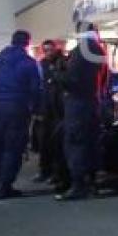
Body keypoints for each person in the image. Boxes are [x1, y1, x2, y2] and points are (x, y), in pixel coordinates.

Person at [0, 30, 41, 199]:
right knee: (12, 147)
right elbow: (35, 88)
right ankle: (4, 186)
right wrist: (35, 108)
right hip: (17, 107)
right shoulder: (29, 62)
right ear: (27, 43)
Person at [55, 22, 109, 201]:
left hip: (78, 103)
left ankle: (78, 185)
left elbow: (73, 80)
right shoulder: (99, 50)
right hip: (93, 102)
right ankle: (92, 182)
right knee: (90, 143)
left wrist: (58, 75)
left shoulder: (81, 51)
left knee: (75, 143)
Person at [37, 40, 69, 191]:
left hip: (59, 110)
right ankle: (44, 170)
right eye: (46, 50)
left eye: (50, 50)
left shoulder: (62, 62)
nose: (48, 53)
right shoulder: (42, 64)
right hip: (46, 109)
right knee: (44, 142)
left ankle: (56, 174)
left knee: (57, 144)